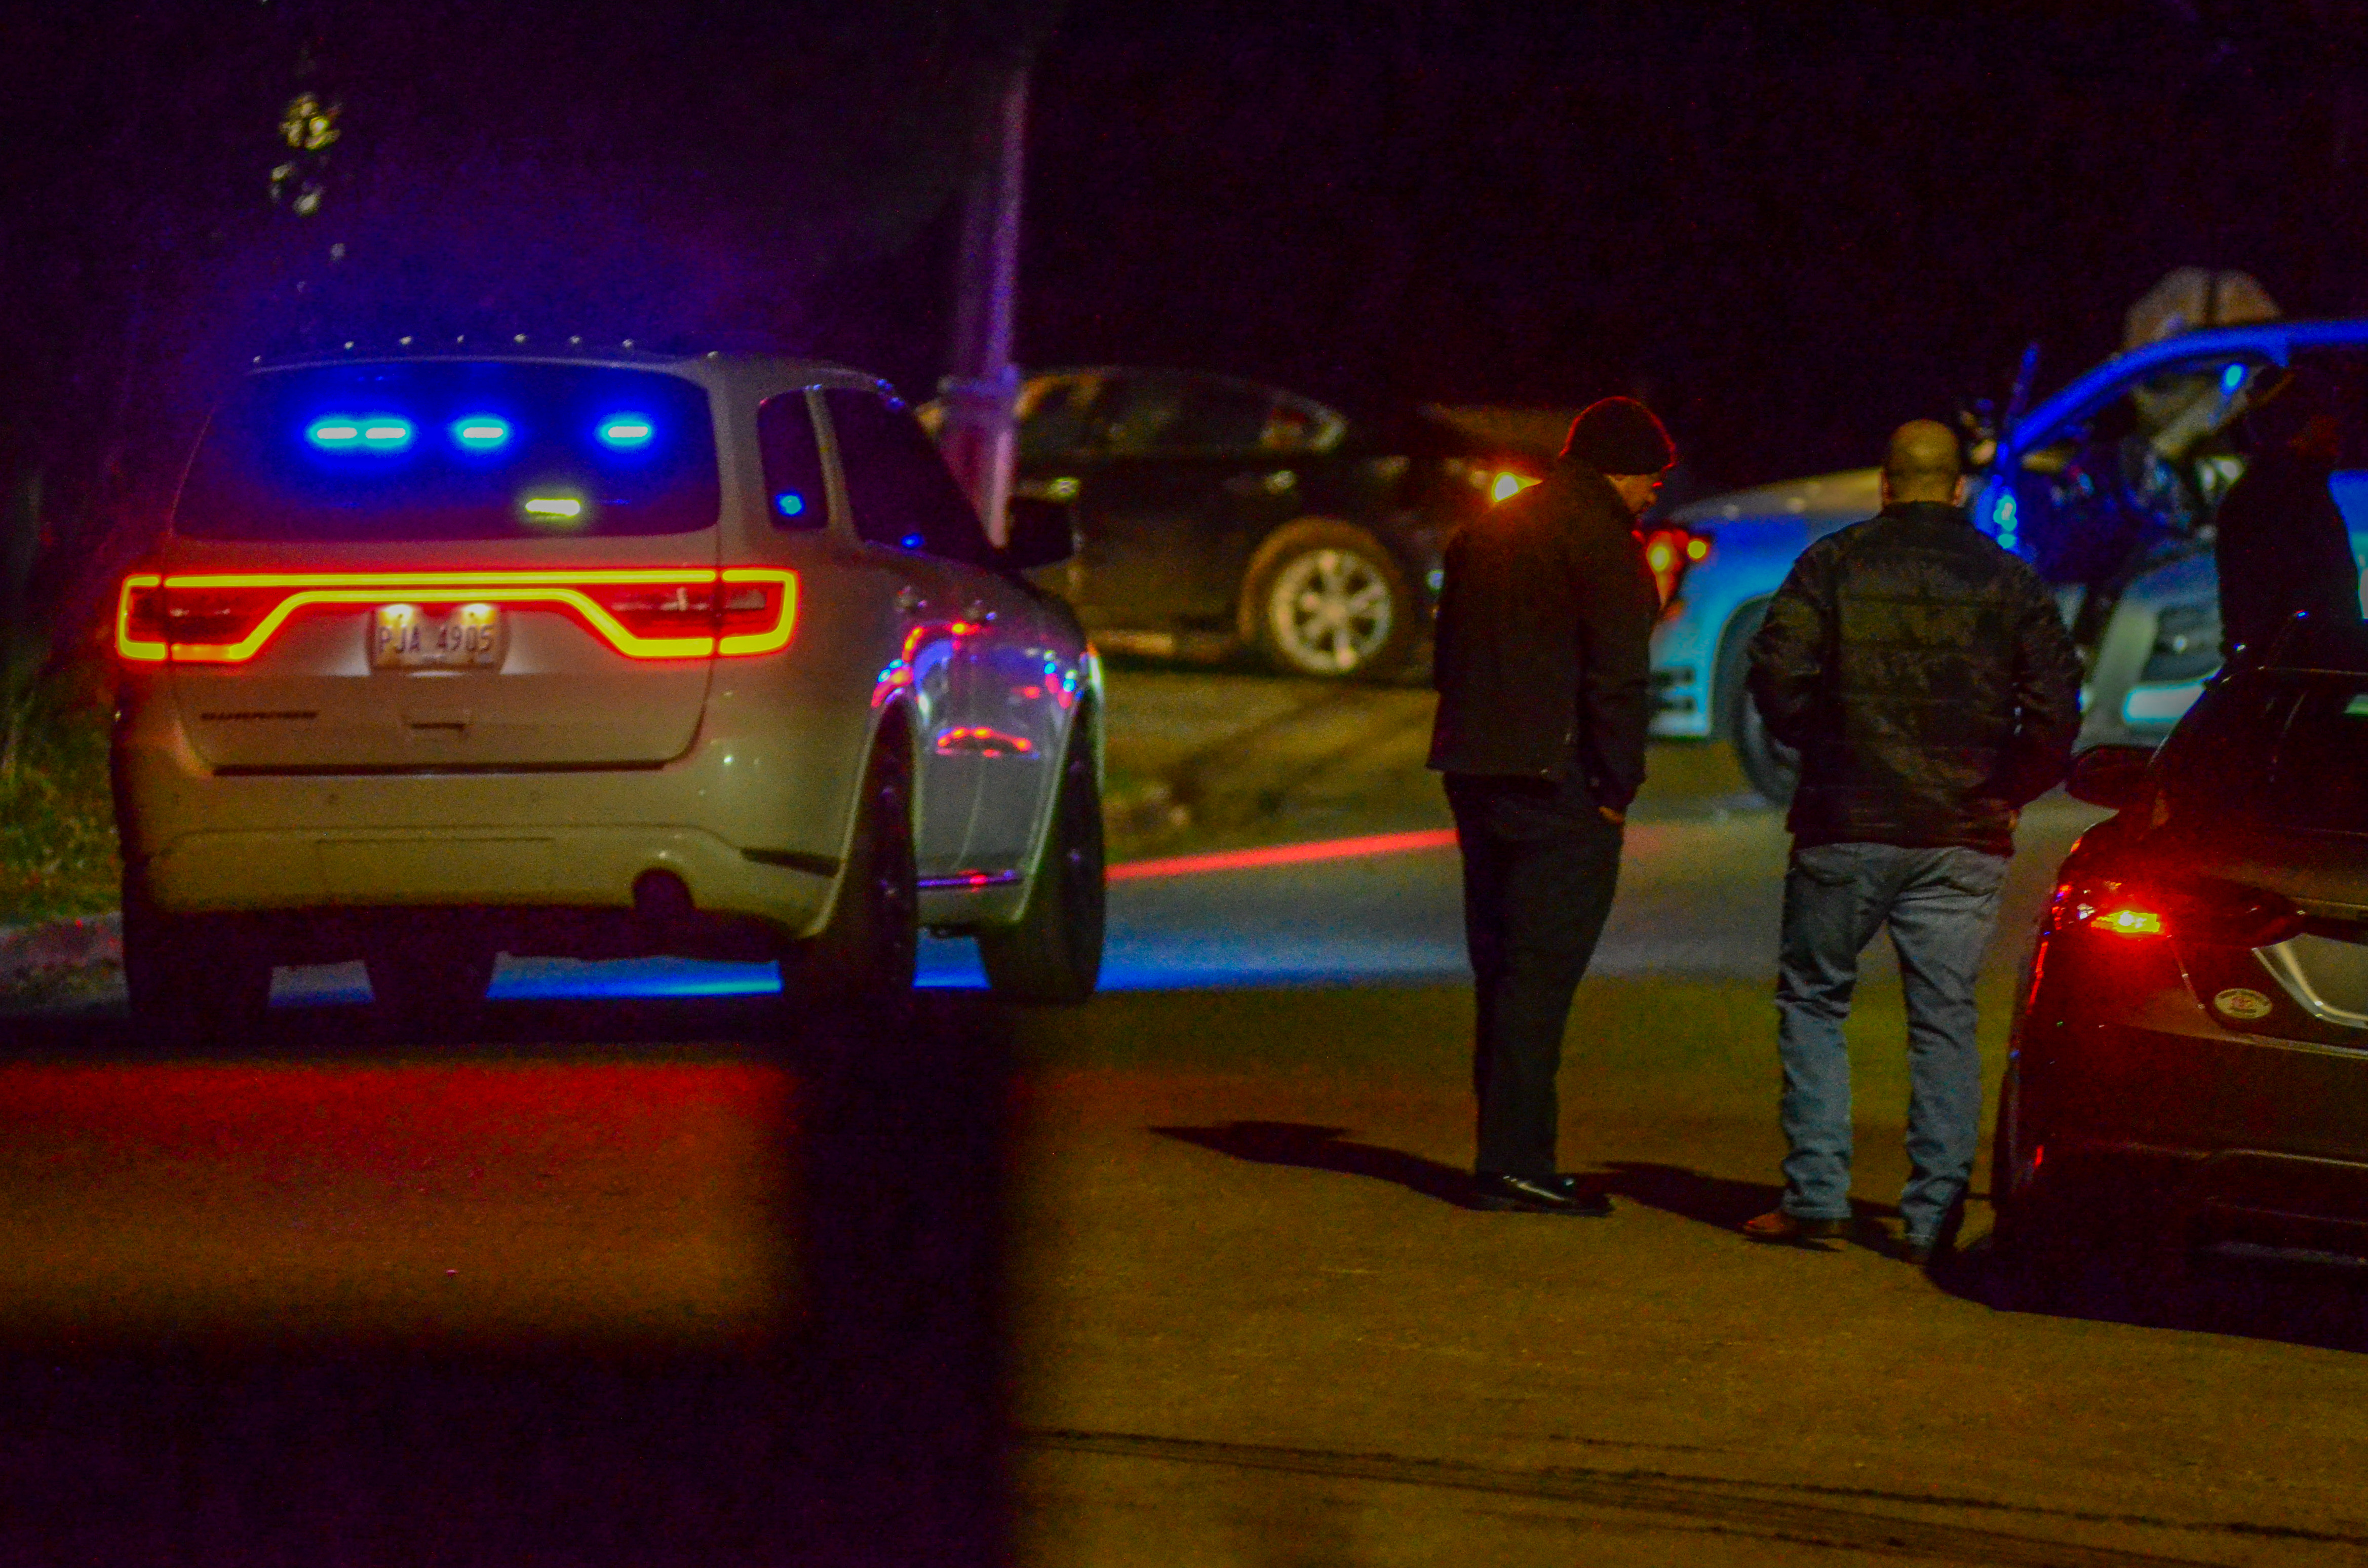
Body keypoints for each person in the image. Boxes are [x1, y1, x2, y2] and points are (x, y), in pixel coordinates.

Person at [1743, 419, 2082, 1263]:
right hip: (1962, 831)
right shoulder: (2010, 582)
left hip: (1844, 823)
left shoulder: (1831, 564)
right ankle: (1933, 1216)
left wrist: (1826, 748)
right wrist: (2005, 787)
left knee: (1814, 1000)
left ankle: (1815, 1195)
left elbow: (1776, 673)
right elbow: (2055, 712)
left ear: (1886, 485)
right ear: (1959, 489)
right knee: (1943, 1019)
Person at [1428, 396, 1673, 1215]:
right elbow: (1618, 680)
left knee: (1499, 971)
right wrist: (1616, 789)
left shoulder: (1489, 530)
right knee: (1538, 980)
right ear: (1621, 472)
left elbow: (1445, 656)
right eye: (1650, 480)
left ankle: (1502, 1153)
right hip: (1557, 784)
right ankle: (1517, 1164)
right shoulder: (1604, 544)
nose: (1653, 494)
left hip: (1475, 771)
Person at [2215, 365, 2365, 663]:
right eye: (2323, 415)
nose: (2336, 427)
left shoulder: (2282, 491)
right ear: (2294, 427)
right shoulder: (2278, 499)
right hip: (2300, 673)